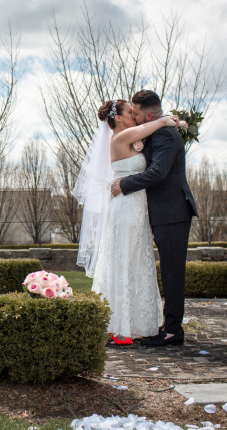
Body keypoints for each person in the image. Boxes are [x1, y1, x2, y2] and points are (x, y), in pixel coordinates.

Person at [74, 97, 182, 346]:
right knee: (123, 262)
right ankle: (119, 327)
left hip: (136, 206)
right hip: (125, 207)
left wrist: (177, 122)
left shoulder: (133, 138)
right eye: (129, 113)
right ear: (120, 118)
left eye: (135, 113)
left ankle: (136, 323)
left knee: (137, 262)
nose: (134, 115)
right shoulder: (120, 138)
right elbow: (150, 126)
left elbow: (148, 133)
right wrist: (167, 120)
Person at [111, 90, 198, 347]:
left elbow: (158, 172)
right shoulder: (156, 131)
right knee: (169, 271)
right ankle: (169, 325)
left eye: (136, 113)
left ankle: (172, 331)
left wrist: (125, 184)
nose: (134, 118)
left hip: (172, 212)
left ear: (148, 114)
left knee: (172, 272)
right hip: (163, 212)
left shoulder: (164, 134)